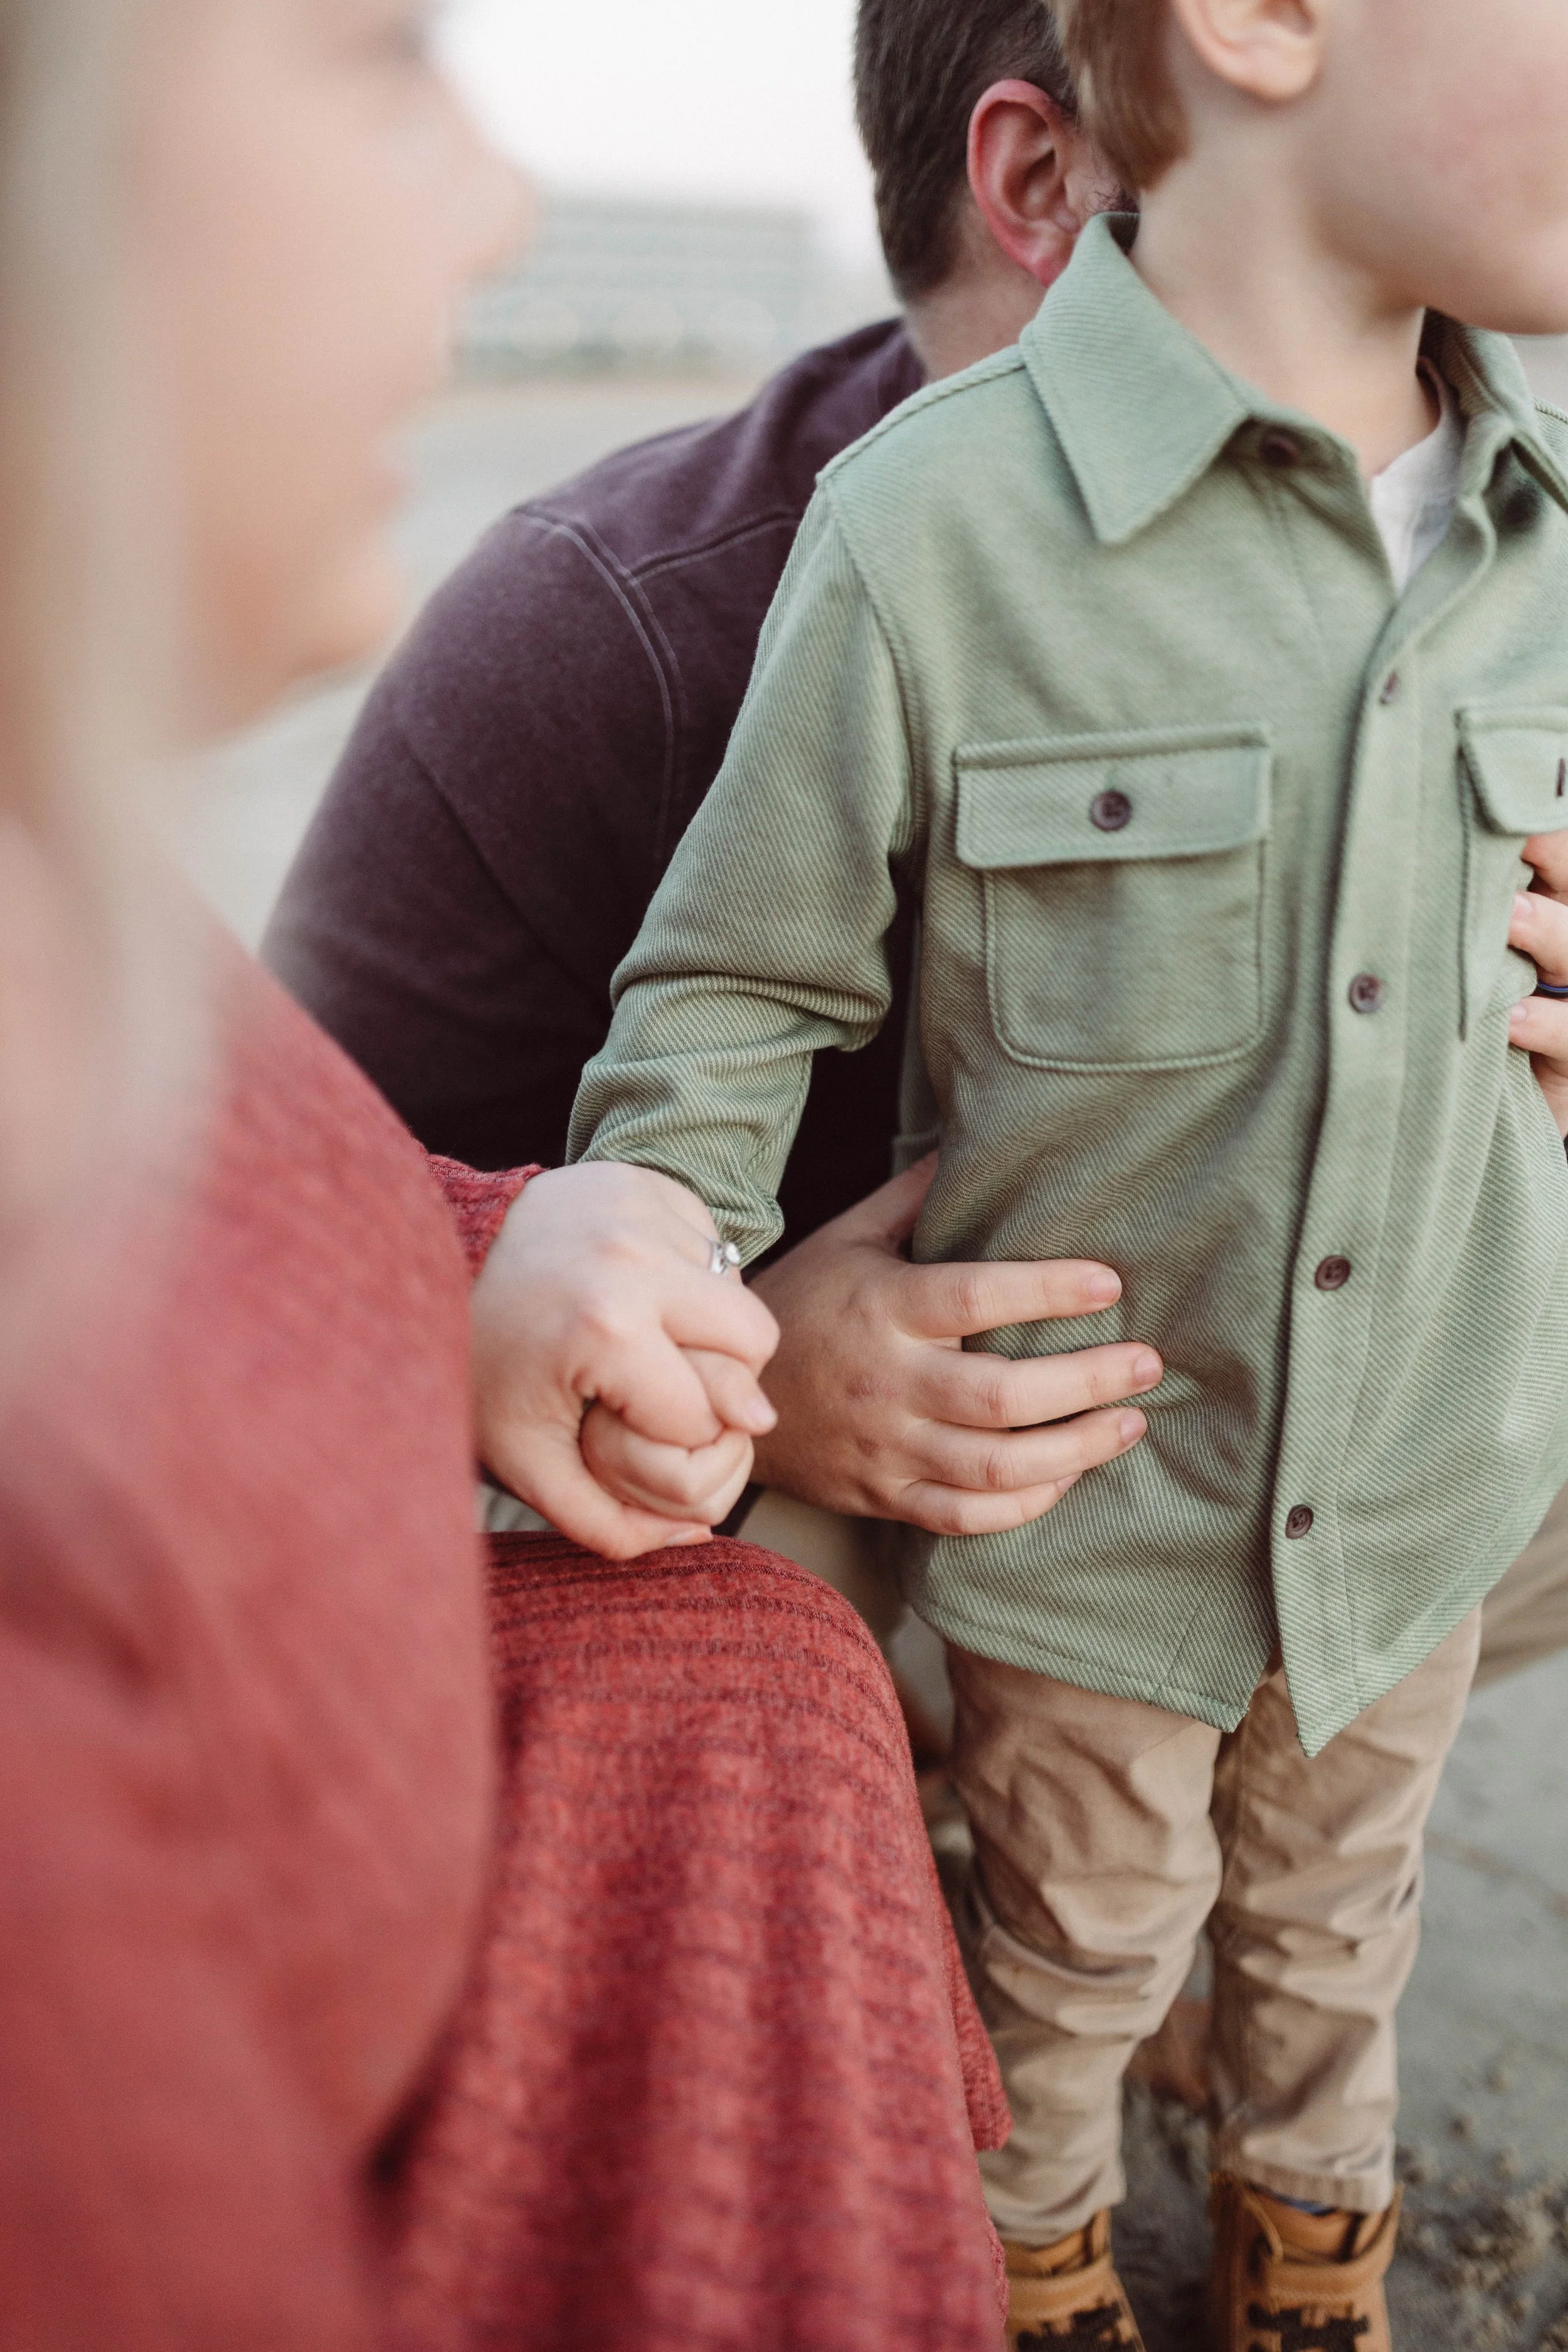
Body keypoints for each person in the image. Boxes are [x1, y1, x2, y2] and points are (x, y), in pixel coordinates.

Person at [0, 0, 1010, 2345]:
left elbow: (252, 1208)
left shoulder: (73, 912)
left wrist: (487, 1255)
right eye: (376, 55)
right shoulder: (633, 610)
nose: (499, 200)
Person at [561, 0, 1568, 2347]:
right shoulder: (933, 529)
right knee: (1074, 1940)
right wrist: (662, 1288)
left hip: (1418, 1480)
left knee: (1341, 1923)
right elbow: (731, 989)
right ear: (1261, 21)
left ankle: (1311, 2257)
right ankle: (1027, 2259)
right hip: (1089, 1523)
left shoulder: (1552, 534)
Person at [264, 0, 1568, 1681]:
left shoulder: (1482, 538)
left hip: (1317, 1467)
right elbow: (242, 1245)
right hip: (765, 1520)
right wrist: (749, 1371)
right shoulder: (602, 631)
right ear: (1044, 186)